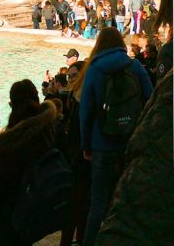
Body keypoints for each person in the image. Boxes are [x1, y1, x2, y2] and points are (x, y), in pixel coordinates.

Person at [79, 26, 153, 246]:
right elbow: (151, 100)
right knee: (129, 200)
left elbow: (86, 112)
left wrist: (86, 144)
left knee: (98, 203)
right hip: (131, 142)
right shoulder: (134, 66)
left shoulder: (94, 69)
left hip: (102, 144)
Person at [0, 79, 59, 245]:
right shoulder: (49, 129)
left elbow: (0, 187)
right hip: (35, 207)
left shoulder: (12, 141)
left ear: (13, 105)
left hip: (12, 214)